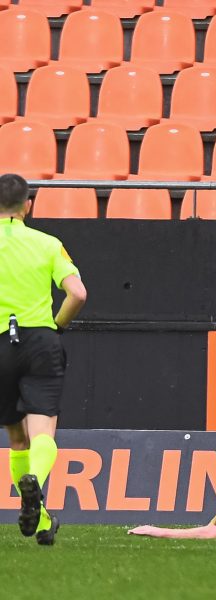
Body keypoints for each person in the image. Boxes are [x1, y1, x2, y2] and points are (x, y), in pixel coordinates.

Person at [0, 174, 87, 546]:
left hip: (2, 341)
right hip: (40, 339)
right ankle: (35, 488)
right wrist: (57, 327)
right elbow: (78, 294)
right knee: (42, 434)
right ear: (28, 206)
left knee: (17, 437)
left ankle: (38, 520)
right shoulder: (48, 243)